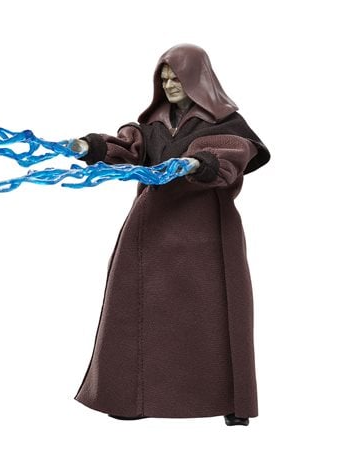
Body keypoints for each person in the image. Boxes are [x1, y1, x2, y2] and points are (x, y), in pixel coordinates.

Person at [71, 44, 270, 426]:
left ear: (197, 79)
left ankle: (228, 400)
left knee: (211, 313)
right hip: (150, 229)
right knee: (134, 310)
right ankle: (130, 398)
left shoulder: (225, 123)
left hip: (205, 232)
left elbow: (233, 153)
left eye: (176, 77)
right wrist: (89, 146)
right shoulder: (153, 126)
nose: (169, 84)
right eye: (163, 78)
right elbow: (128, 148)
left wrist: (199, 162)